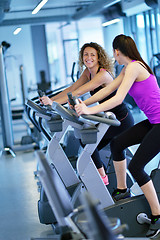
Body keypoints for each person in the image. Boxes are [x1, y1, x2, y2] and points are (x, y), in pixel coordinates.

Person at [75, 34, 160, 238]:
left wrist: (89, 111)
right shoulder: (128, 68)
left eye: (115, 54)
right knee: (117, 143)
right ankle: (122, 189)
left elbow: (118, 98)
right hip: (152, 122)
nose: (115, 58)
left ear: (116, 51)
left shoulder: (133, 67)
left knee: (136, 167)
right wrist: (84, 104)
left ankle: (157, 216)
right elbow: (108, 91)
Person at [40, 42, 134, 186]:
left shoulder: (103, 74)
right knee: (87, 143)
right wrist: (50, 101)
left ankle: (102, 178)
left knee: (88, 141)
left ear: (98, 57)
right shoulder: (87, 72)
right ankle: (102, 177)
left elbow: (78, 92)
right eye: (85, 54)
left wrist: (53, 104)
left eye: (92, 55)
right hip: (108, 118)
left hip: (121, 119)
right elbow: (72, 88)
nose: (88, 58)